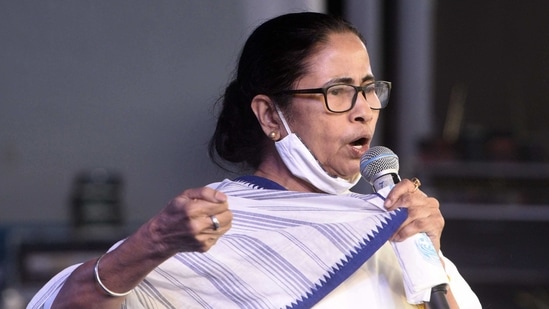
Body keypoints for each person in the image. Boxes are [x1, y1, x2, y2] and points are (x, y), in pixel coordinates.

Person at [28, 12, 481, 309]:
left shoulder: (393, 227)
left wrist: (430, 256)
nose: (363, 108)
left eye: (368, 89)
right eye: (338, 91)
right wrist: (151, 243)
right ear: (270, 115)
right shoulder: (207, 233)